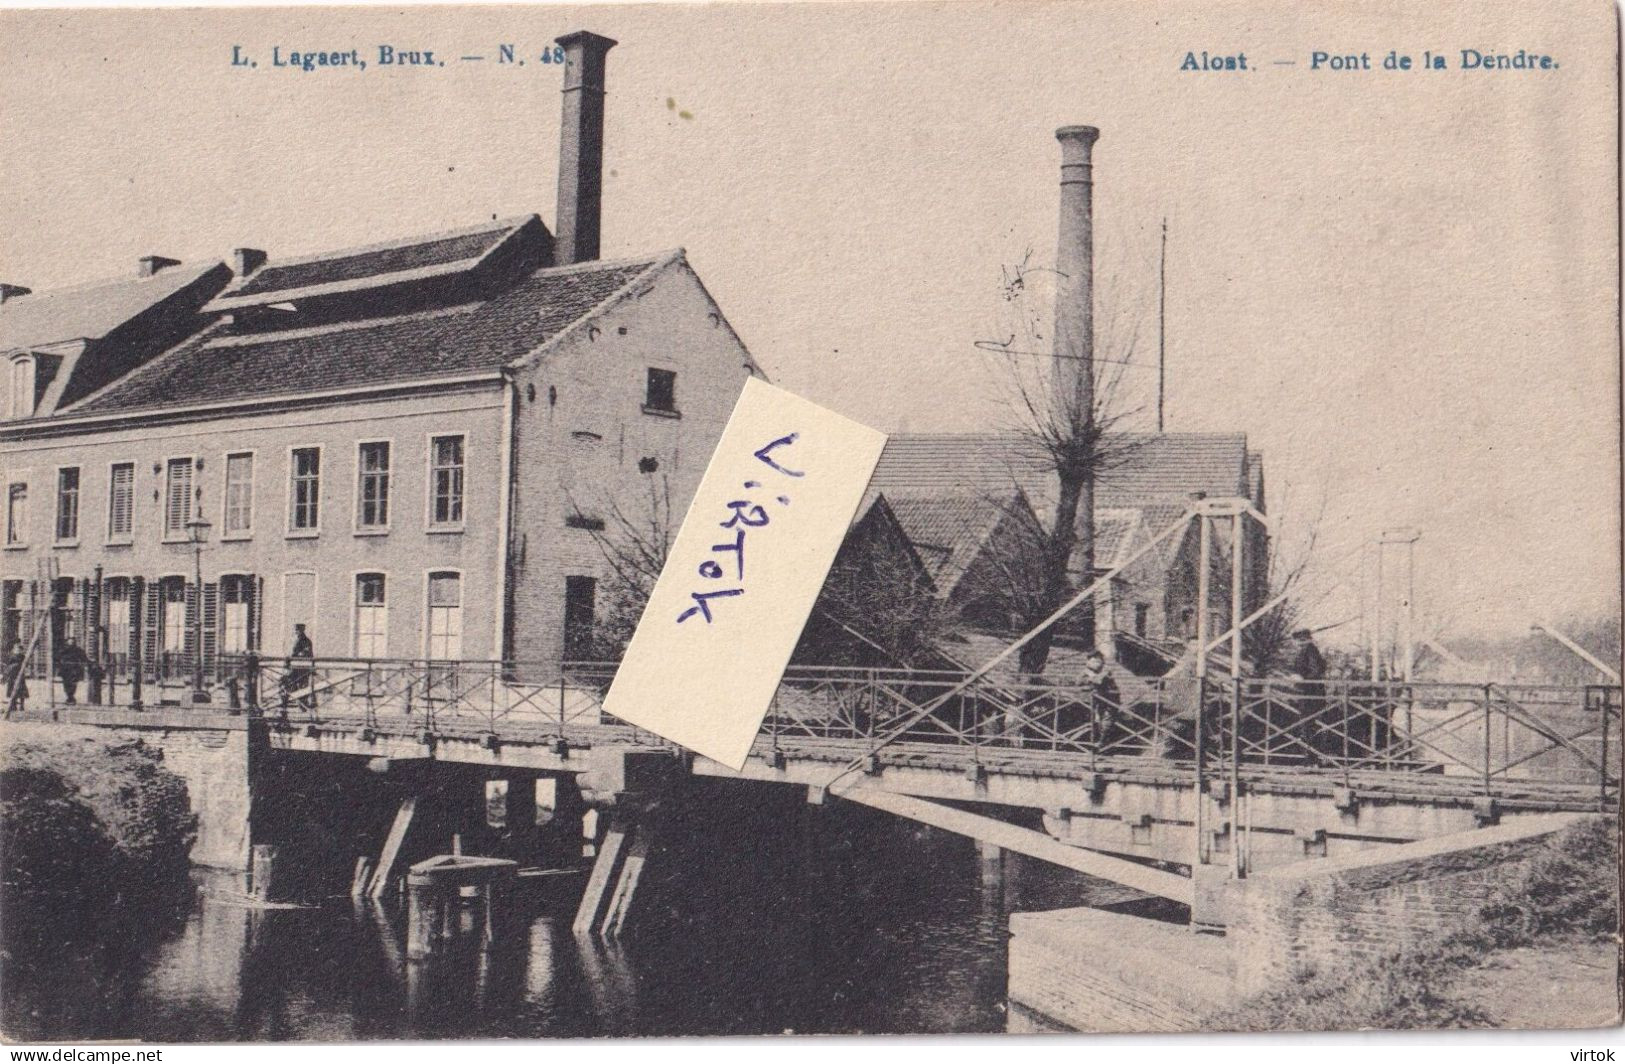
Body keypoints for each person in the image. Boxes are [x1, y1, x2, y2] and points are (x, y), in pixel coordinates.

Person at [1080, 648, 1122, 750]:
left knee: (1106, 722)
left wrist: (1090, 676)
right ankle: (1094, 743)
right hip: (1097, 701)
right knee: (1094, 721)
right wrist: (1088, 677)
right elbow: (1079, 681)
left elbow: (1098, 680)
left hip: (1110, 701)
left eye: (1099, 661)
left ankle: (1102, 744)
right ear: (1088, 661)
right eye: (1093, 661)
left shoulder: (1106, 670)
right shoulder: (1087, 671)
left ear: (1103, 662)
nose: (1097, 664)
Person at [286, 624, 315, 713]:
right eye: (295, 630)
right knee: (291, 685)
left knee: (302, 687)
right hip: (294, 667)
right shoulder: (295, 640)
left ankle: (303, 705)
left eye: (297, 630)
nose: (296, 632)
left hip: (302, 668)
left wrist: (298, 655)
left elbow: (307, 653)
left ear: (302, 630)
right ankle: (298, 704)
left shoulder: (306, 641)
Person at [56, 635, 89, 705]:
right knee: (66, 684)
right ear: (67, 641)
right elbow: (57, 658)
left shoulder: (77, 650)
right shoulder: (63, 650)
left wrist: (86, 663)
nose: (71, 642)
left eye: (72, 640)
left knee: (73, 684)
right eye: (70, 640)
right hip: (65, 669)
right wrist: (59, 665)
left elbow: (83, 657)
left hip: (74, 669)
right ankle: (69, 697)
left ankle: (71, 697)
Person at [4, 641, 27, 715]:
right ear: (14, 648)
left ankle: (22, 705)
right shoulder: (11, 656)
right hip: (12, 675)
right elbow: (8, 665)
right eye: (16, 648)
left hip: (20, 675)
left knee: (21, 690)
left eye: (20, 649)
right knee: (12, 689)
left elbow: (25, 664)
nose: (18, 650)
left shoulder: (22, 656)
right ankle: (13, 705)